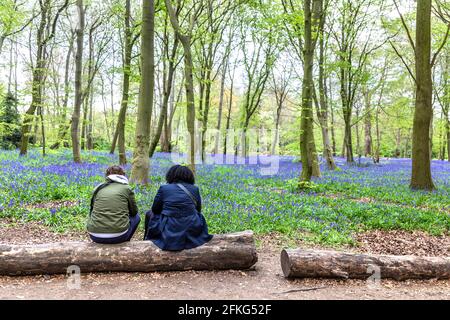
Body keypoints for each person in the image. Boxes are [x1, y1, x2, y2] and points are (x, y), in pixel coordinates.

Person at [144, 164, 213, 251]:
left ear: (170, 175)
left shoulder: (164, 188)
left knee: (148, 213)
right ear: (189, 177)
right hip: (191, 226)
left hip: (169, 228)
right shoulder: (195, 189)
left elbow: (155, 209)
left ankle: (147, 239)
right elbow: (198, 210)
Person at [87, 165, 140, 244]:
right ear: (123, 175)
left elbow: (92, 210)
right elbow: (134, 212)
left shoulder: (99, 188)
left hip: (94, 235)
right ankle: (125, 242)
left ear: (107, 176)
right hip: (119, 236)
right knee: (136, 217)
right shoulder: (126, 188)